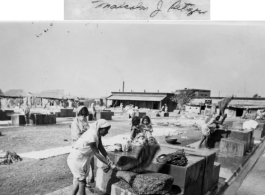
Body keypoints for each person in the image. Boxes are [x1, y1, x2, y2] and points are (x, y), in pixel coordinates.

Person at [67, 119, 120, 195]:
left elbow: (100, 146)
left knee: (78, 180)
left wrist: (108, 157)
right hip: (77, 159)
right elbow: (97, 153)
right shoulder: (92, 135)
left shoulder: (97, 133)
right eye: (106, 130)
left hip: (82, 158)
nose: (107, 132)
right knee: (82, 182)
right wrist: (109, 164)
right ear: (100, 128)